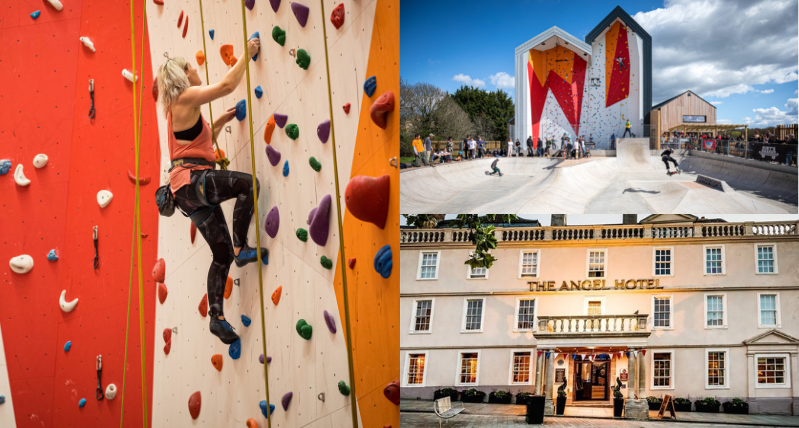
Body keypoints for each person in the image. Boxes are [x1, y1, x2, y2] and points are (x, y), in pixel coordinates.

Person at [157, 37, 267, 344]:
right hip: (195, 183)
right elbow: (226, 86)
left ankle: (216, 318)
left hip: (187, 195)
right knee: (248, 185)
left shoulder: (176, 112)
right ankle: (242, 247)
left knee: (221, 254)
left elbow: (197, 147)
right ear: (182, 76)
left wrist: (219, 122)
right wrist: (248, 52)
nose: (194, 69)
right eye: (189, 67)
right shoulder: (184, 98)